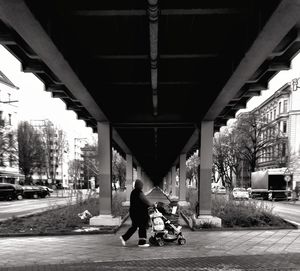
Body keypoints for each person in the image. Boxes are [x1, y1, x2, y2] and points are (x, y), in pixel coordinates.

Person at [120, 179, 153, 247]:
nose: (142, 186)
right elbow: (145, 201)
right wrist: (151, 205)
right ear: (139, 185)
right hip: (138, 214)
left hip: (134, 213)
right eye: (141, 185)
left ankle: (124, 237)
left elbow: (143, 201)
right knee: (142, 226)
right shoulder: (138, 192)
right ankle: (141, 242)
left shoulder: (134, 192)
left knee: (135, 227)